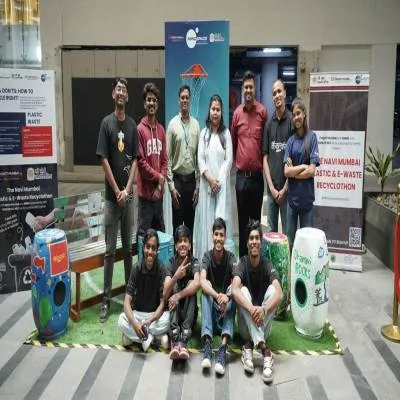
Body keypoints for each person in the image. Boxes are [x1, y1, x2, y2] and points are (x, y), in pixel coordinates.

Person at [96, 77, 138, 322]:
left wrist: (127, 190)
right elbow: (104, 159)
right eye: (118, 89)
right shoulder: (106, 124)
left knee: (129, 249)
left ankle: (130, 297)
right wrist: (117, 191)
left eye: (124, 90)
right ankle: (106, 300)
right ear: (113, 94)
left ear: (127, 96)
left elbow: (135, 160)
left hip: (128, 198)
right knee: (110, 251)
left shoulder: (132, 125)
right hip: (113, 201)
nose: (121, 93)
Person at [231, 220, 283, 384]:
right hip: (245, 328)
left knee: (273, 291)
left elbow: (279, 293)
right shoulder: (242, 263)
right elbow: (234, 290)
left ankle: (248, 348)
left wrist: (264, 309)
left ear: (261, 242)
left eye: (257, 238)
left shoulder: (267, 264)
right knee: (242, 291)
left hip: (263, 324)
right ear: (247, 243)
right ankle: (264, 349)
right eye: (251, 238)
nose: (254, 241)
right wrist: (252, 308)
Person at [231, 71, 268, 258]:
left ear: (255, 89)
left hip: (257, 179)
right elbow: (233, 143)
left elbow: (265, 145)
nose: (248, 90)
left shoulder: (262, 112)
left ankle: (256, 261)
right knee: (243, 222)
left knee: (256, 223)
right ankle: (243, 262)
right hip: (241, 179)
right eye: (245, 87)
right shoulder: (237, 114)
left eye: (251, 87)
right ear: (242, 89)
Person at [193, 94, 233, 259]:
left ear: (221, 112)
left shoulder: (226, 134)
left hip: (221, 189)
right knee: (207, 223)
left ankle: (220, 262)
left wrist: (219, 182)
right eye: (213, 109)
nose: (215, 112)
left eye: (218, 109)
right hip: (207, 189)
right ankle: (205, 261)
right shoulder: (204, 134)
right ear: (209, 110)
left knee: (220, 222)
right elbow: (200, 160)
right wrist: (210, 180)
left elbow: (229, 160)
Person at [118, 229, 169, 352]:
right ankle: (154, 338)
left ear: (157, 250)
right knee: (121, 320)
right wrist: (135, 324)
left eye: (153, 248)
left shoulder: (161, 270)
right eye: (148, 247)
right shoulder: (136, 268)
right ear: (143, 247)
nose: (150, 251)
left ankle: (138, 337)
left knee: (168, 318)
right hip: (138, 315)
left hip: (154, 317)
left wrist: (149, 321)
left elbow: (162, 304)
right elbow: (127, 302)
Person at [199, 217, 236, 376]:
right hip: (212, 313)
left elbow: (237, 281)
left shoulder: (231, 257)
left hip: (225, 310)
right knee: (205, 290)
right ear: (212, 236)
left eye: (221, 235)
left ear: (225, 237)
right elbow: (201, 280)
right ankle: (207, 344)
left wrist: (227, 296)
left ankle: (223, 347)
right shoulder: (207, 256)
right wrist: (217, 295)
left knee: (234, 293)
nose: (218, 238)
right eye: (216, 234)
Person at [284, 98, 320, 249]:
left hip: (307, 203)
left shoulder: (312, 138)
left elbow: (312, 171)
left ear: (304, 114)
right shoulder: (290, 141)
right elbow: (286, 171)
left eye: (298, 113)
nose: (296, 117)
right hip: (292, 202)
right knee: (289, 243)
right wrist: (303, 166)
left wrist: (295, 171)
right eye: (294, 115)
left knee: (307, 245)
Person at [166, 85, 201, 235]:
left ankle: (190, 252)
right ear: (178, 100)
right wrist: (171, 187)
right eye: (182, 98)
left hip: (192, 183)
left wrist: (198, 186)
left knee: (190, 227)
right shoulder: (172, 125)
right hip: (178, 183)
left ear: (190, 100)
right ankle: (177, 252)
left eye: (187, 97)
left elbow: (199, 159)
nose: (185, 100)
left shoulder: (196, 125)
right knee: (177, 227)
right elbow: (167, 158)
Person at [163, 225, 200, 360]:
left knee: (191, 284)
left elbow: (197, 283)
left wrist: (178, 296)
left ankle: (184, 339)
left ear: (190, 245)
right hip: (175, 313)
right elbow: (165, 293)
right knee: (174, 284)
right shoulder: (171, 262)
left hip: (189, 316)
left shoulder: (194, 262)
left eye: (185, 241)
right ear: (175, 246)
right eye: (180, 241)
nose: (183, 244)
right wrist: (176, 276)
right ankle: (175, 338)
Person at [137, 82, 168, 238]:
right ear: (144, 103)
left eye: (154, 100)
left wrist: (159, 186)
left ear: (157, 104)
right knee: (144, 237)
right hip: (145, 198)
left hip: (158, 197)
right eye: (149, 99)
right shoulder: (139, 130)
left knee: (160, 236)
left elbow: (165, 161)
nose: (151, 103)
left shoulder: (161, 130)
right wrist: (159, 178)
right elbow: (141, 163)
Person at [262, 80, 292, 234]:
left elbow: (296, 158)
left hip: (288, 190)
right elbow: (265, 159)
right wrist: (272, 189)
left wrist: (285, 188)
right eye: (274, 93)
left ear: (285, 93)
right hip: (271, 191)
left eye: (279, 91)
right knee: (271, 235)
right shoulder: (268, 125)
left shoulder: (292, 121)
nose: (277, 95)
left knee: (287, 234)